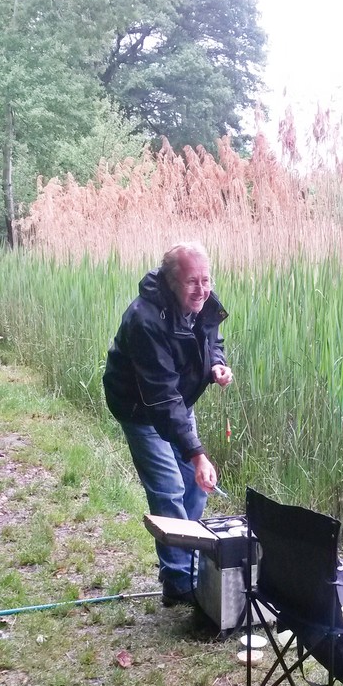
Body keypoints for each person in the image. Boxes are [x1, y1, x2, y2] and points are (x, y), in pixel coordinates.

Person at [103, 242, 232, 606]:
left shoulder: (203, 301)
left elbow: (211, 339)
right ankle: (178, 582)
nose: (202, 290)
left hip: (177, 399)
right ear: (170, 280)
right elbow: (161, 397)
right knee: (169, 488)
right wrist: (197, 454)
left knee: (196, 486)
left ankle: (183, 560)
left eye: (206, 280)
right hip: (140, 407)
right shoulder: (144, 318)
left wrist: (215, 365)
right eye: (192, 281)